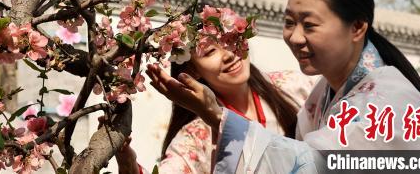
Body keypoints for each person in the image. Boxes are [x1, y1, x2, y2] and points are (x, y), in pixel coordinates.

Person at [147, 0, 420, 173]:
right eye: (289, 23)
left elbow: (311, 164)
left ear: (357, 27)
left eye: (310, 25)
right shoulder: (320, 95)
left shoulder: (386, 100)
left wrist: (216, 116)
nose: (294, 37)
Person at [115, 41, 316, 174]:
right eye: (211, 51)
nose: (229, 54)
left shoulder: (294, 86)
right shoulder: (196, 136)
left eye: (232, 40)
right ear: (193, 69)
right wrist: (128, 165)